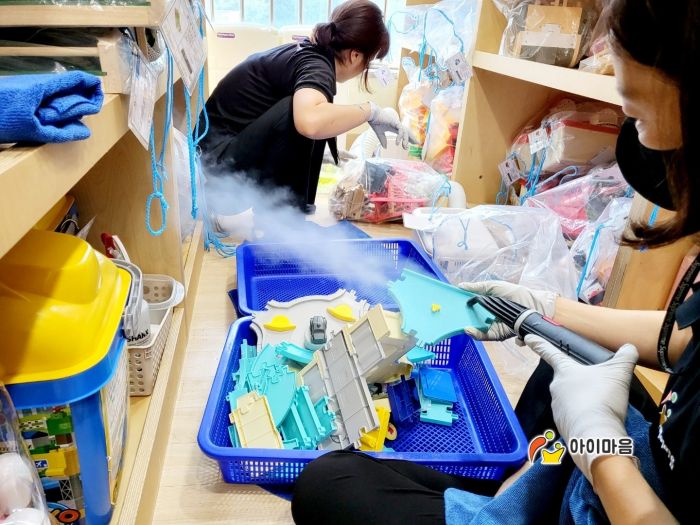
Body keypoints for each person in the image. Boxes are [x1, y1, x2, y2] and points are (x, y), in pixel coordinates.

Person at [291, 0, 699, 523]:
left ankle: (508, 498)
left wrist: (602, 452)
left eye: (638, 116)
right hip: (624, 468)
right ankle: (511, 488)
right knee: (563, 359)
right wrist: (547, 310)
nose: (638, 144)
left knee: (327, 485)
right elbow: (685, 339)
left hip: (629, 498)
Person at [197, 0, 412, 215]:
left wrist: (313, 152)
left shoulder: (312, 55)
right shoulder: (316, 66)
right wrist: (371, 112)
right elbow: (309, 122)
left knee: (316, 114)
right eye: (369, 61)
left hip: (218, 163)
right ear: (355, 55)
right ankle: (280, 222)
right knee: (303, 113)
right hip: (216, 182)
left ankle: (292, 218)